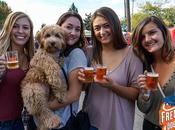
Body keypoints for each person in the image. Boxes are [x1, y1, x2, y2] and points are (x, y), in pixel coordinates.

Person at [78, 7, 143, 130]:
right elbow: (83, 89)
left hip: (118, 124)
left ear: (115, 25)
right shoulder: (90, 53)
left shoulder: (132, 54)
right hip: (90, 122)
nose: (102, 32)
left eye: (106, 25)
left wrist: (112, 86)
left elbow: (136, 93)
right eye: (97, 28)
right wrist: (84, 83)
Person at [132, 16, 175, 130]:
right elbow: (143, 109)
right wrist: (145, 93)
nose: (147, 39)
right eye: (142, 37)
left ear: (164, 33)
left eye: (152, 33)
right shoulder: (144, 66)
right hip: (149, 126)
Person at [48, 11, 88, 129]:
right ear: (58, 27)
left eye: (77, 29)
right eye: (69, 27)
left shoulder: (76, 53)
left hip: (61, 122)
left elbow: (74, 95)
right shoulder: (55, 52)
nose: (73, 33)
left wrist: (42, 107)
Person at [0, 11, 35, 130]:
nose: (20, 31)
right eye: (15, 26)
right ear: (8, 29)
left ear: (30, 32)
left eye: (25, 27)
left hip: (21, 122)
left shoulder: (32, 59)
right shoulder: (1, 55)